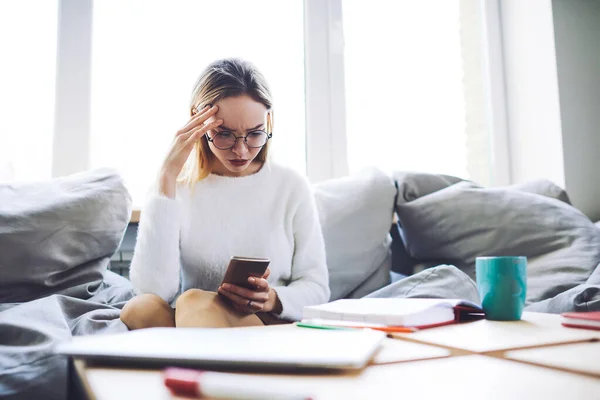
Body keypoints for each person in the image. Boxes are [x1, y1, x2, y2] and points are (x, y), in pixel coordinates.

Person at [120, 58, 330, 329]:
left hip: (265, 324)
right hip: (193, 319)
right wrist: (167, 176)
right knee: (140, 308)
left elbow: (317, 288)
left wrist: (272, 298)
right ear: (199, 123)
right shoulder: (178, 188)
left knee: (192, 300)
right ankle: (205, 359)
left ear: (269, 123)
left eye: (255, 134)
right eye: (224, 134)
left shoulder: (291, 186)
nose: (241, 151)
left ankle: (194, 361)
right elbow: (153, 290)